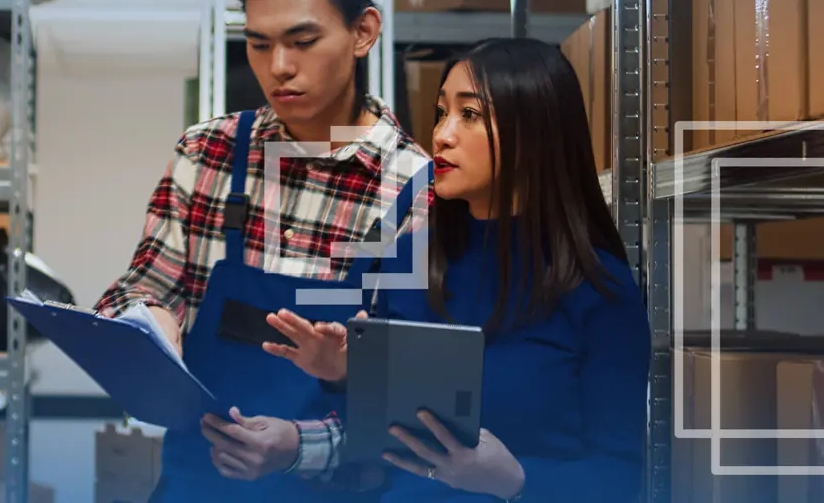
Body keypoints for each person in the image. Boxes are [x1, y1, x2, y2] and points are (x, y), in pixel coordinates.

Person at [93, 0, 432, 502]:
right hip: (195, 481)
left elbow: (412, 390)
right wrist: (148, 320)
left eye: (302, 41)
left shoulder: (413, 188)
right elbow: (146, 285)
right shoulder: (209, 152)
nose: (278, 68)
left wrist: (300, 446)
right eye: (258, 44)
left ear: (363, 32)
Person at [262, 38, 652, 502]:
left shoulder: (598, 290)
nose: (442, 135)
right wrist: (342, 374)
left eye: (470, 115)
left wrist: (516, 481)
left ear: (536, 131)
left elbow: (621, 478)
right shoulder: (406, 261)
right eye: (441, 112)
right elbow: (378, 441)